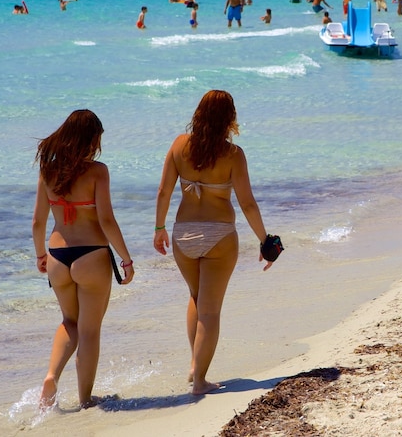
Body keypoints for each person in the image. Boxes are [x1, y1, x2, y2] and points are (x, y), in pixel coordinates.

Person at [153, 90, 274, 396]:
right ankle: (199, 381)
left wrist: (159, 228)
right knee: (210, 311)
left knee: (195, 298)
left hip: (183, 234)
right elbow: (247, 204)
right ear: (229, 119)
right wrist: (266, 241)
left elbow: (164, 192)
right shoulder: (233, 155)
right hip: (219, 235)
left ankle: (195, 366)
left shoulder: (179, 145)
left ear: (198, 114)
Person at [32, 110, 134, 410]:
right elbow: (107, 221)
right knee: (89, 330)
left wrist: (40, 255)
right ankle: (86, 399)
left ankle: (52, 375)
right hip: (91, 255)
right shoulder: (98, 172)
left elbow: (38, 222)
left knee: (68, 322)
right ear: (90, 139)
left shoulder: (47, 172)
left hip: (57, 255)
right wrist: (126, 260)